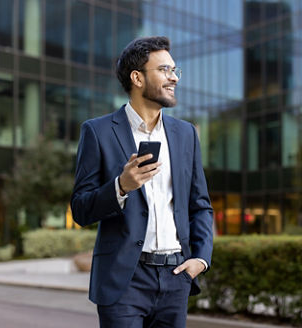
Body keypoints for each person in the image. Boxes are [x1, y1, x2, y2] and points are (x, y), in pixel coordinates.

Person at [71, 36, 214, 328]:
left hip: (176, 276)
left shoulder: (186, 134)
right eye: (164, 70)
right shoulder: (97, 132)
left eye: (175, 70)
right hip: (124, 281)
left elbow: (200, 205)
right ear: (137, 77)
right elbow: (80, 209)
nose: (173, 77)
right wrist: (120, 186)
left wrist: (200, 259)